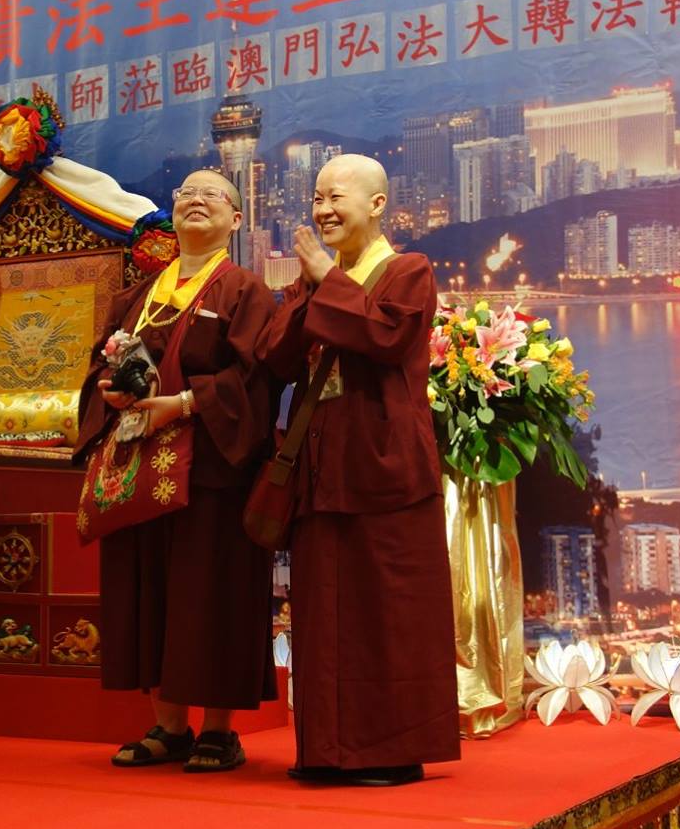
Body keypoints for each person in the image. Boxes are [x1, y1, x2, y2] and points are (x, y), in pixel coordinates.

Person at [258, 154, 457, 787]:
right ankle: (326, 750)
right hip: (323, 460)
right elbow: (275, 355)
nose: (322, 210)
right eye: (317, 198)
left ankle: (392, 752)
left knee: (389, 608)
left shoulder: (408, 270)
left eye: (335, 197)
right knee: (323, 608)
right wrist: (312, 285)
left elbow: (387, 338)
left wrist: (327, 280)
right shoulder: (319, 278)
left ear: (376, 204)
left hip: (383, 459)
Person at [76, 170, 280, 772]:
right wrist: (111, 391)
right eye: (187, 193)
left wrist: (185, 403)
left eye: (212, 194)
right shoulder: (138, 295)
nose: (196, 200)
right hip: (142, 467)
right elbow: (100, 367)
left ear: (236, 219)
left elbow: (256, 380)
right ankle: (168, 726)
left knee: (211, 593)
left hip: (213, 469)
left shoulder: (244, 290)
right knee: (151, 591)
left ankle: (219, 730)